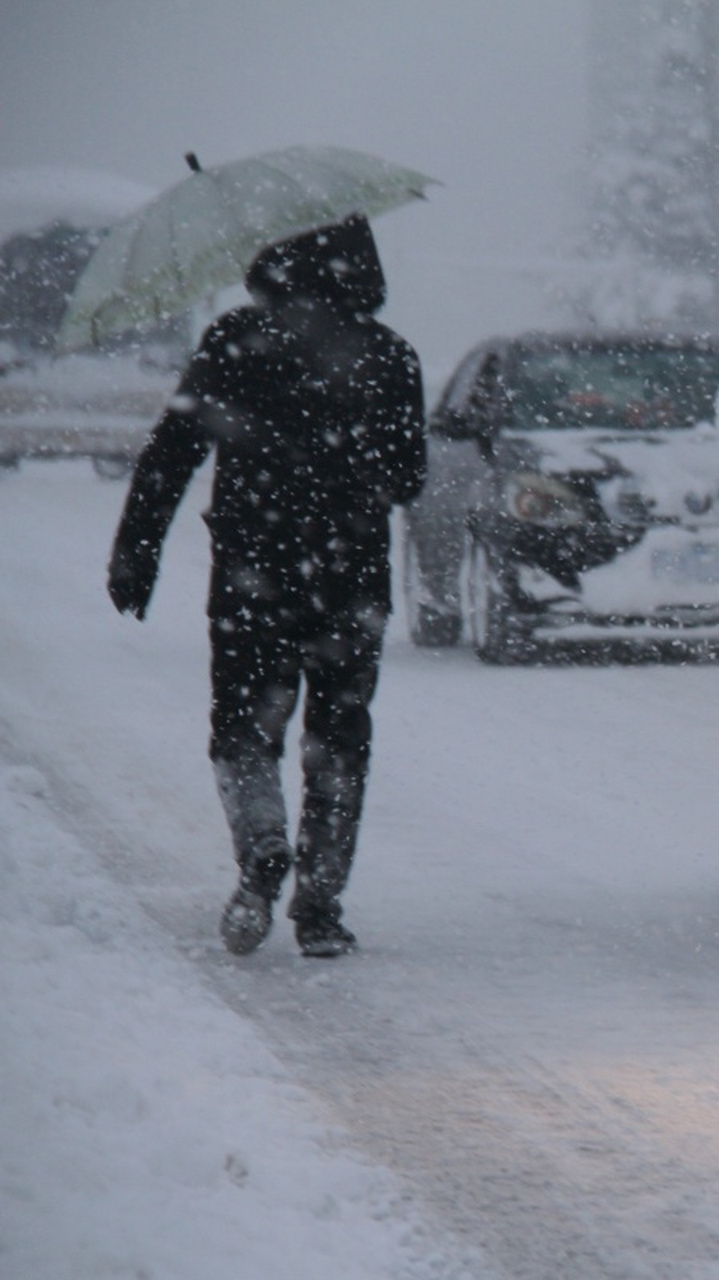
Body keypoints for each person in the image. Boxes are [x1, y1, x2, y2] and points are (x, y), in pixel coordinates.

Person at [107, 213, 426, 958]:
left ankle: (260, 845)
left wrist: (137, 549)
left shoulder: (235, 341)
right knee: (340, 736)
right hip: (350, 579)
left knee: (243, 727)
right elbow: (410, 477)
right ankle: (319, 906)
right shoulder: (390, 355)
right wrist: (346, 465)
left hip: (255, 571)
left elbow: (174, 447)